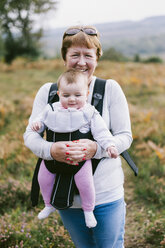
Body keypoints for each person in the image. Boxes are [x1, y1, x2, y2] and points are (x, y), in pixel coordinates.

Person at [24, 25, 133, 247]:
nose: (81, 62)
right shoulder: (49, 91)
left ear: (97, 58)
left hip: (106, 195)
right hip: (65, 195)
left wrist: (96, 148)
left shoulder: (110, 89)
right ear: (65, 57)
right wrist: (50, 151)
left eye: (88, 55)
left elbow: (125, 136)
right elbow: (30, 134)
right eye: (75, 54)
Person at [30, 69, 118, 228]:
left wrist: (109, 146)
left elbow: (102, 132)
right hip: (53, 158)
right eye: (66, 95)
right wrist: (37, 125)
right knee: (43, 178)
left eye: (77, 95)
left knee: (85, 184)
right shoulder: (51, 109)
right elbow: (40, 121)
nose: (72, 99)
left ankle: (88, 211)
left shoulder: (89, 112)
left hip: (80, 159)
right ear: (59, 93)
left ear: (86, 93)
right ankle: (48, 204)